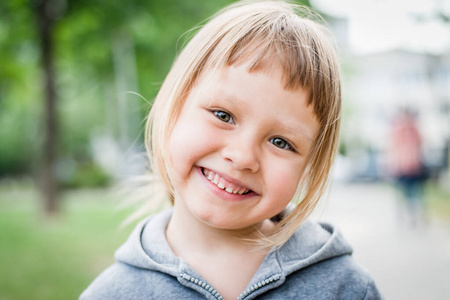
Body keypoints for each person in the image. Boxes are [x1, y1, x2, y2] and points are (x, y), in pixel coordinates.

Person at [80, 1, 382, 299]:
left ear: (309, 168)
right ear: (173, 108)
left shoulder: (347, 288)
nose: (242, 157)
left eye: (280, 142)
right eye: (223, 116)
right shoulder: (112, 293)